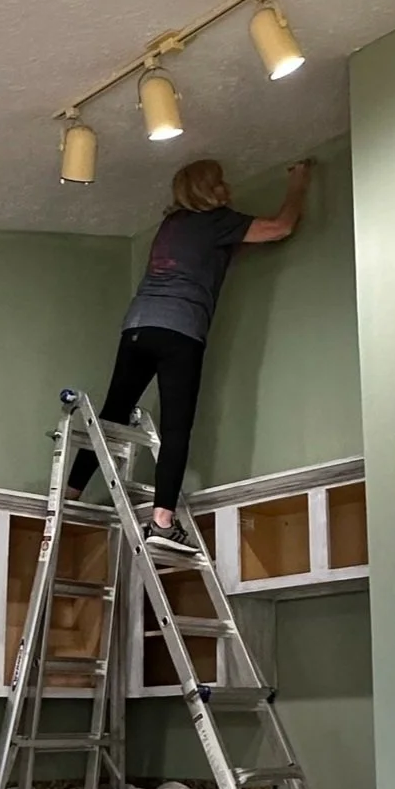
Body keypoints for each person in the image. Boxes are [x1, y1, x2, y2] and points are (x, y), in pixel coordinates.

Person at [67, 157, 311, 551]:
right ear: (210, 190)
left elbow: (213, 258)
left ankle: (72, 494)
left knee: (112, 415)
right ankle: (162, 520)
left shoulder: (171, 226)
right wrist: (299, 182)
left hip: (137, 326)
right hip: (179, 331)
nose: (226, 187)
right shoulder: (218, 221)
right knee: (177, 425)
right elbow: (281, 227)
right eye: (221, 182)